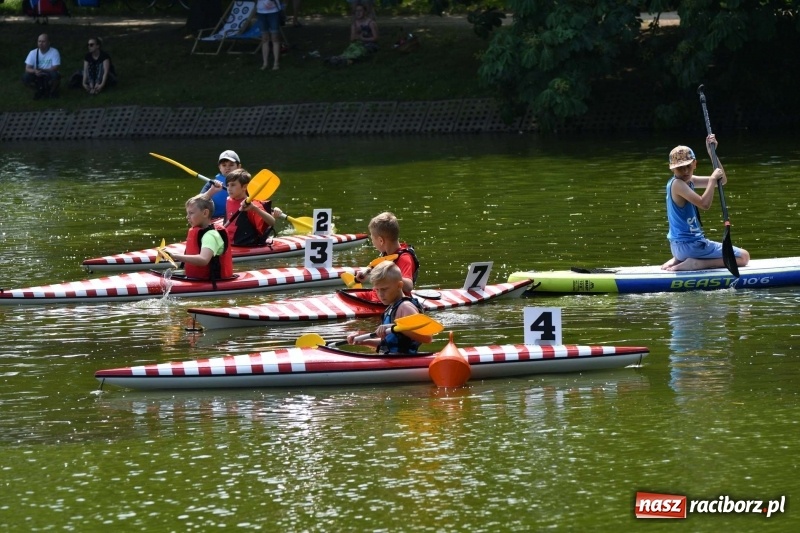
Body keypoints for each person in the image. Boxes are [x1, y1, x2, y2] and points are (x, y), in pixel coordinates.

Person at [661, 135, 750, 272]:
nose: (685, 171)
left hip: (680, 247)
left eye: (688, 166)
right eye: (680, 168)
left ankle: (680, 259)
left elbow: (722, 181)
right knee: (744, 257)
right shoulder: (678, 184)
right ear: (672, 168)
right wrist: (712, 179)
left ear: (695, 164)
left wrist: (712, 154)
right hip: (691, 246)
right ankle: (697, 264)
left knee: (739, 255)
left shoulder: (688, 180)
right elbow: (704, 204)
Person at [346, 262, 432, 354]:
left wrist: (393, 326)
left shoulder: (405, 307)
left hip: (404, 360)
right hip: (391, 358)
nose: (380, 294)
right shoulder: (390, 308)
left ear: (399, 285)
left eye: (384, 289)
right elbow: (388, 344)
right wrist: (363, 341)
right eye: (377, 290)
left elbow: (427, 337)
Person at [203, 168, 282, 246]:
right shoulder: (229, 200)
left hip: (246, 245)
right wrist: (212, 190)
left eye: (233, 185)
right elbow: (199, 203)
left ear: (244, 187)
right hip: (229, 242)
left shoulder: (252, 204)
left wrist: (255, 208)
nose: (229, 188)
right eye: (227, 185)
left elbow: (272, 222)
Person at [168, 196, 234, 282]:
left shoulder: (210, 236)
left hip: (211, 282)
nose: (187, 217)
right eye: (187, 213)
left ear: (205, 213)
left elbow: (203, 260)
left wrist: (175, 256)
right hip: (195, 279)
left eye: (191, 213)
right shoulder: (200, 232)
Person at [355, 211, 419, 298]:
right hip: (382, 297)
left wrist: (389, 275)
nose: (372, 242)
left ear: (381, 241)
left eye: (372, 239)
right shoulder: (387, 254)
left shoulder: (404, 258)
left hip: (395, 300)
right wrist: (366, 272)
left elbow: (409, 286)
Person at [325, 1, 378, 66]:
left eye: (360, 10)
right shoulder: (354, 24)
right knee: (349, 50)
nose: (358, 13)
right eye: (356, 11)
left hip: (370, 44)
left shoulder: (371, 23)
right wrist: (358, 34)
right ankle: (338, 58)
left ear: (365, 12)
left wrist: (363, 38)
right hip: (358, 43)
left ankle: (344, 61)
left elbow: (375, 38)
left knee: (359, 52)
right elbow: (352, 39)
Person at [199, 150, 242, 218]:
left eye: (231, 165)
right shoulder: (211, 183)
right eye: (224, 165)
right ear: (220, 167)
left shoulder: (244, 184)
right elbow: (197, 202)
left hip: (237, 218)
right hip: (215, 219)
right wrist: (212, 191)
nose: (227, 168)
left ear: (238, 167)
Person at [23, 33, 61, 100]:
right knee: (25, 77)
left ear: (48, 43)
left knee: (55, 75)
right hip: (37, 72)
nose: (41, 43)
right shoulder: (33, 53)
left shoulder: (54, 52)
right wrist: (35, 71)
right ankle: (37, 91)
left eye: (43, 41)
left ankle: (52, 92)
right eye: (39, 41)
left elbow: (55, 67)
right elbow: (27, 68)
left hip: (49, 72)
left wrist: (43, 71)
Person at [256, 0, 283, 71]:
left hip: (274, 12)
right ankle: (265, 63)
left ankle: (276, 63)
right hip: (261, 12)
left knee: (275, 38)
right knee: (264, 38)